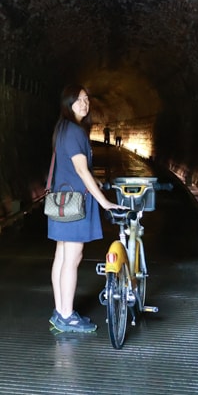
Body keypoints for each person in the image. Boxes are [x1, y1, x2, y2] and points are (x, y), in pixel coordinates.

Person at [48, 85, 126, 333]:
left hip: (62, 201)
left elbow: (73, 169)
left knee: (62, 256)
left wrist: (97, 182)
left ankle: (60, 311)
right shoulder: (75, 132)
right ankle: (67, 315)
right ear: (67, 104)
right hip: (76, 204)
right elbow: (81, 170)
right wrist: (105, 201)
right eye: (78, 100)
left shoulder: (62, 129)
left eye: (86, 99)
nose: (84, 103)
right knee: (72, 258)